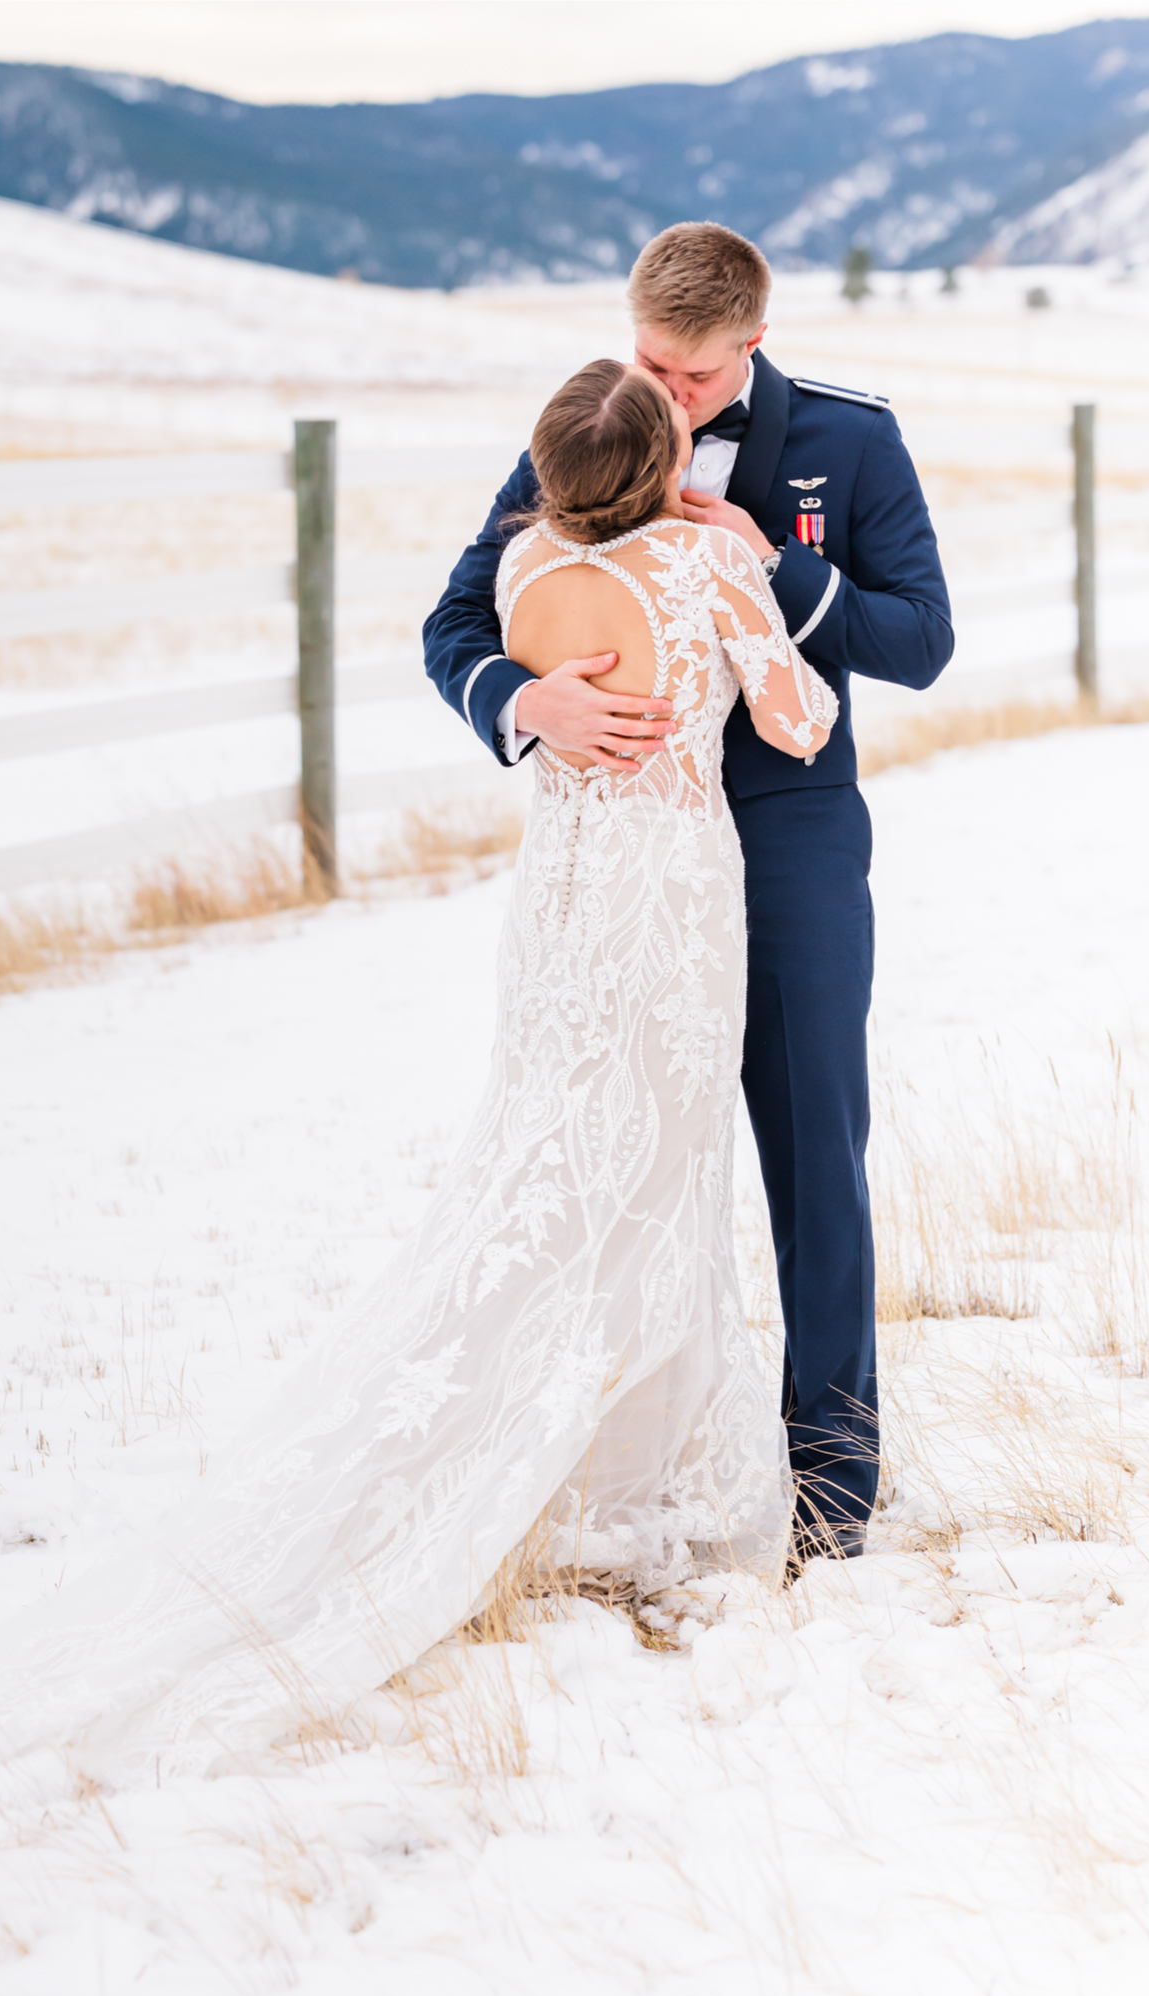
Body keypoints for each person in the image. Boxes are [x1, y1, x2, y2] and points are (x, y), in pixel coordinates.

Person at [0, 360, 835, 1812]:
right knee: (655, 1175)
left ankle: (586, 1469)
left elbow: (497, 608)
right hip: (672, 899)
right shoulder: (710, 565)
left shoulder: (526, 559)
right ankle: (626, 1497)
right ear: (665, 465)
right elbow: (797, 726)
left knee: (546, 1166)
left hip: (565, 908)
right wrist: (748, 584)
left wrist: (549, 677)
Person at [425, 222, 954, 1568]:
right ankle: (590, 1469)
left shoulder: (853, 444)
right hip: (620, 868)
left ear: (754, 347)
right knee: (601, 1167)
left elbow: (921, 641)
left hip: (784, 844)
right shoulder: (603, 416)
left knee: (809, 1153)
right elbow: (457, 622)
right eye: (648, 362)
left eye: (695, 379)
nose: (665, 397)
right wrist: (523, 700)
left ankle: (831, 1491)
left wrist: (776, 564)